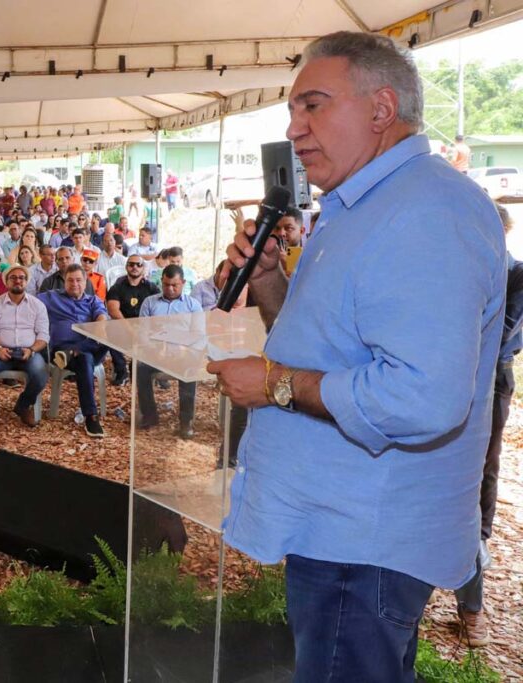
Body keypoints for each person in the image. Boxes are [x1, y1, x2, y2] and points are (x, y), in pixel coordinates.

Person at [206, 32, 505, 682]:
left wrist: (275, 385)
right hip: (341, 532)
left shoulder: (424, 213)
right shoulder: (363, 204)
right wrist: (265, 282)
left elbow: (421, 397)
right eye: (292, 111)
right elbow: (320, 339)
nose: (295, 128)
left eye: (313, 105)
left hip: (363, 544)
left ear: (381, 108)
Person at [453, 203, 521, 646]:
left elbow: (501, 330)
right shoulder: (459, 268)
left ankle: (471, 600)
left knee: (481, 476)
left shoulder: (516, 275)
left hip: (489, 378)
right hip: (449, 376)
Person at [0, 265, 49, 434]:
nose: (18, 280)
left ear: (26, 282)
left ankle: (23, 405)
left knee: (41, 372)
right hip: (1, 351)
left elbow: (43, 336)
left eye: (21, 277)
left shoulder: (37, 305)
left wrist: (31, 350)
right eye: (13, 277)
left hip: (28, 351)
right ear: (6, 282)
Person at [39, 265, 109, 438]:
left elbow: (102, 315)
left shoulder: (93, 301)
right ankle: (91, 417)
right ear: (65, 282)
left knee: (108, 336)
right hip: (61, 350)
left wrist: (100, 324)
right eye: (70, 280)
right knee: (85, 359)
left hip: (89, 347)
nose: (74, 284)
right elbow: (26, 300)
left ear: (85, 282)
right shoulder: (51, 297)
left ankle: (76, 351)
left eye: (78, 280)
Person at [135, 265, 203, 437]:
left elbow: (198, 336)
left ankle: (186, 421)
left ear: (183, 283)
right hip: (156, 352)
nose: (170, 289)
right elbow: (142, 332)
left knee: (189, 369)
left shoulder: (193, 306)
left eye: (175, 285)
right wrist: (153, 349)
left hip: (183, 354)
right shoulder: (149, 303)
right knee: (139, 367)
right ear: (161, 282)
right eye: (166, 285)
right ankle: (149, 415)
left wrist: (183, 350)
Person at [106, 254, 161, 383]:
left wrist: (143, 328)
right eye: (131, 264)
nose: (134, 267)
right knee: (110, 329)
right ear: (126, 267)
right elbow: (113, 310)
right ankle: (121, 371)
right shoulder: (118, 286)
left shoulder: (151, 288)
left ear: (143, 268)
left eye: (138, 264)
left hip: (145, 326)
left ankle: (153, 369)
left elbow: (159, 309)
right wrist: (129, 327)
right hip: (123, 325)